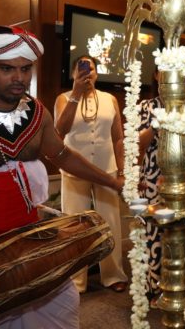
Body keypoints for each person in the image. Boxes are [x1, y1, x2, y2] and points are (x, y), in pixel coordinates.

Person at [0, 26, 123, 327]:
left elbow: (62, 155)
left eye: (25, 69)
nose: (19, 77)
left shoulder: (36, 112)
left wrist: (112, 181)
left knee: (62, 310)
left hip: (30, 246)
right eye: (7, 68)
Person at [54, 55, 128, 293]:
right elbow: (60, 131)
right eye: (82, 68)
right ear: (74, 74)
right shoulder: (63, 99)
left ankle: (113, 275)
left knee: (111, 223)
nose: (88, 72)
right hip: (74, 172)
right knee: (74, 226)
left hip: (108, 171)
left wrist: (122, 171)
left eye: (91, 68)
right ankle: (76, 281)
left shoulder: (110, 99)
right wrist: (75, 93)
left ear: (97, 73)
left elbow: (118, 138)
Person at [137, 77, 185, 302]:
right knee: (156, 233)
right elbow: (138, 144)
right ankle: (158, 288)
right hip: (155, 178)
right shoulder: (147, 106)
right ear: (158, 76)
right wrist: (157, 124)